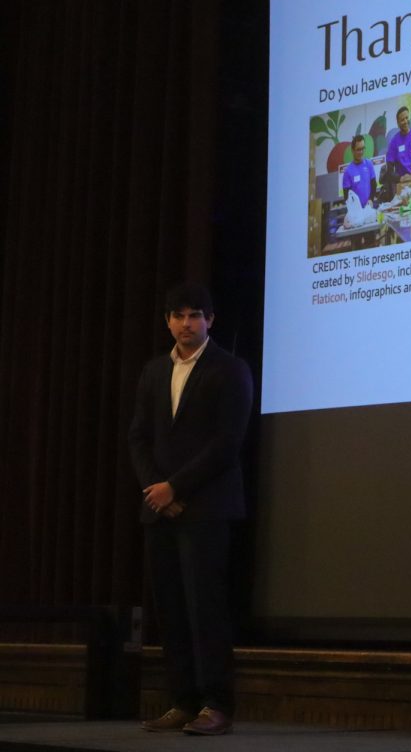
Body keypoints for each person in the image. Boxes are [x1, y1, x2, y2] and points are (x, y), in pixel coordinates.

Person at [129, 283, 253, 736]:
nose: (186, 324)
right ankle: (182, 701)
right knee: (172, 611)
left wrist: (176, 487)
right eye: (178, 316)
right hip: (159, 509)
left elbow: (227, 444)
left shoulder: (230, 370)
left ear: (210, 321)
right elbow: (139, 437)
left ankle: (216, 705)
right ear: (167, 321)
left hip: (207, 508)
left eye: (195, 315)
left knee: (206, 608)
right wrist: (155, 489)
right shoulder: (153, 372)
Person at [385, 105, 411, 179]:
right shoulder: (393, 142)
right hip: (403, 182)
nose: (405, 121)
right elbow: (390, 171)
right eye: (402, 120)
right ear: (398, 123)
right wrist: (401, 179)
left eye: (407, 118)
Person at [341, 133, 377, 208]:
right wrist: (354, 209)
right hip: (356, 212)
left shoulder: (368, 164)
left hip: (369, 208)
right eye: (358, 150)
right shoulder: (348, 172)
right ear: (353, 150)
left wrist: (371, 199)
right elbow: (346, 196)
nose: (361, 152)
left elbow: (373, 184)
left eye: (362, 148)